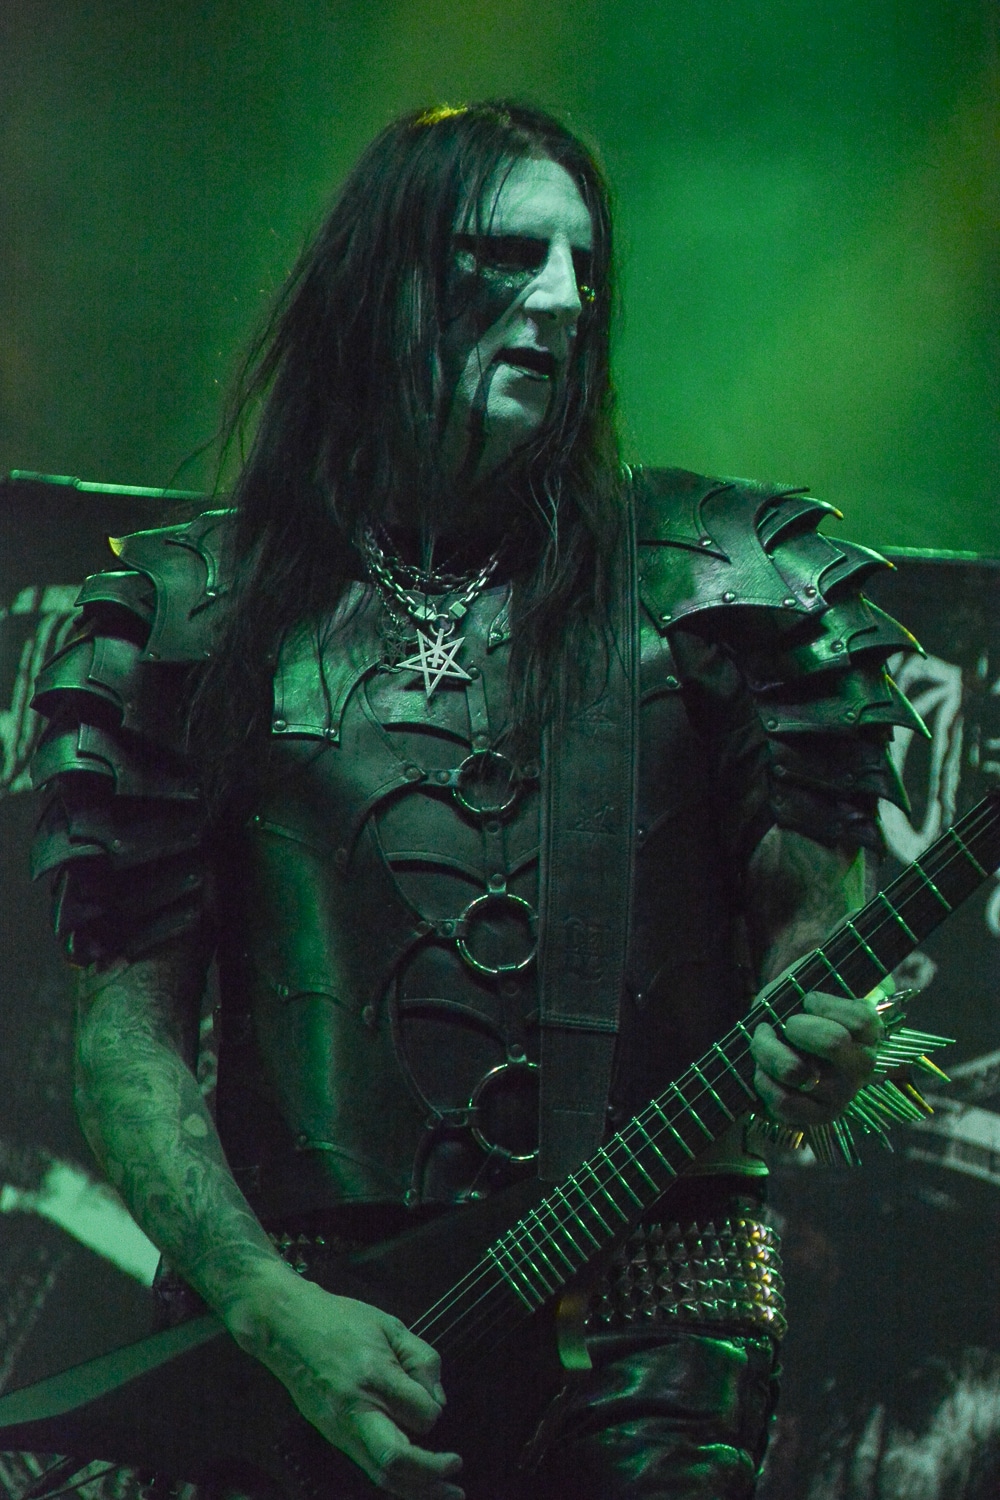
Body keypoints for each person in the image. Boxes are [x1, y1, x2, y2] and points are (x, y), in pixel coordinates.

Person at [29, 102, 923, 1500]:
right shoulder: (183, 617)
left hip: (654, 1316)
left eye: (585, 266)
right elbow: (127, 1041)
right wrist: (268, 1306)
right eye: (508, 256)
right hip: (323, 1327)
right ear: (380, 284)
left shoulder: (732, 585)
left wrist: (827, 1043)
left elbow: (819, 949)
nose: (564, 301)